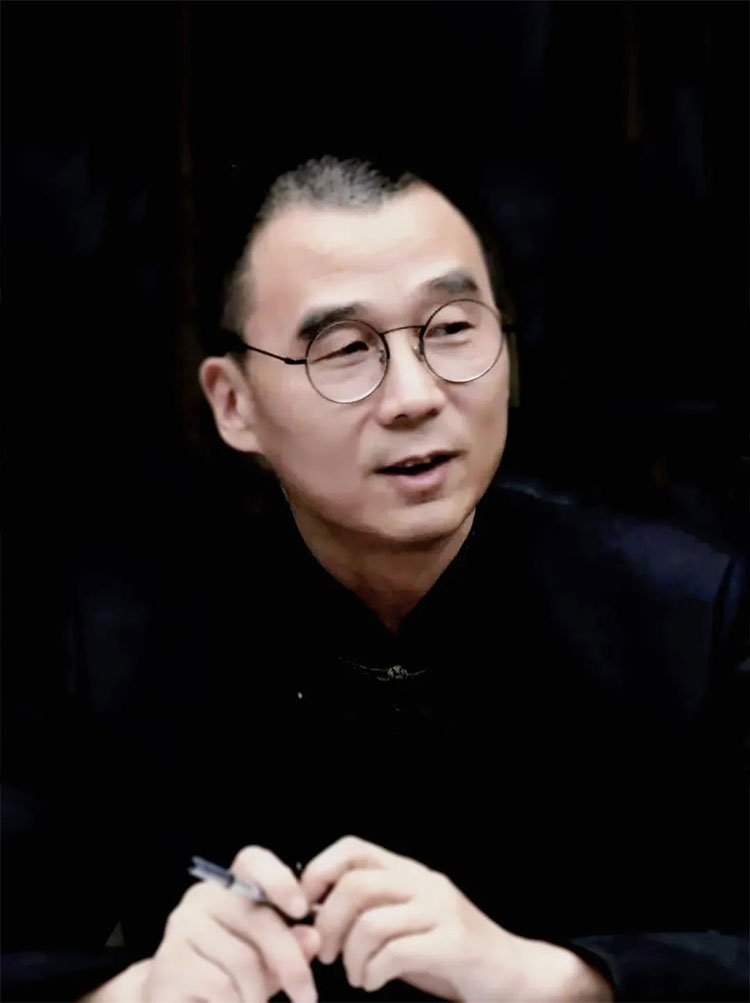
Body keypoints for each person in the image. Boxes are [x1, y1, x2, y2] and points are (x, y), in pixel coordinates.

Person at [2, 157, 747, 1003]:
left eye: (452, 328)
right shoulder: (110, 646)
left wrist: (552, 980)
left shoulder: (688, 614)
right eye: (347, 349)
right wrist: (140, 992)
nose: (415, 395)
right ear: (234, 403)